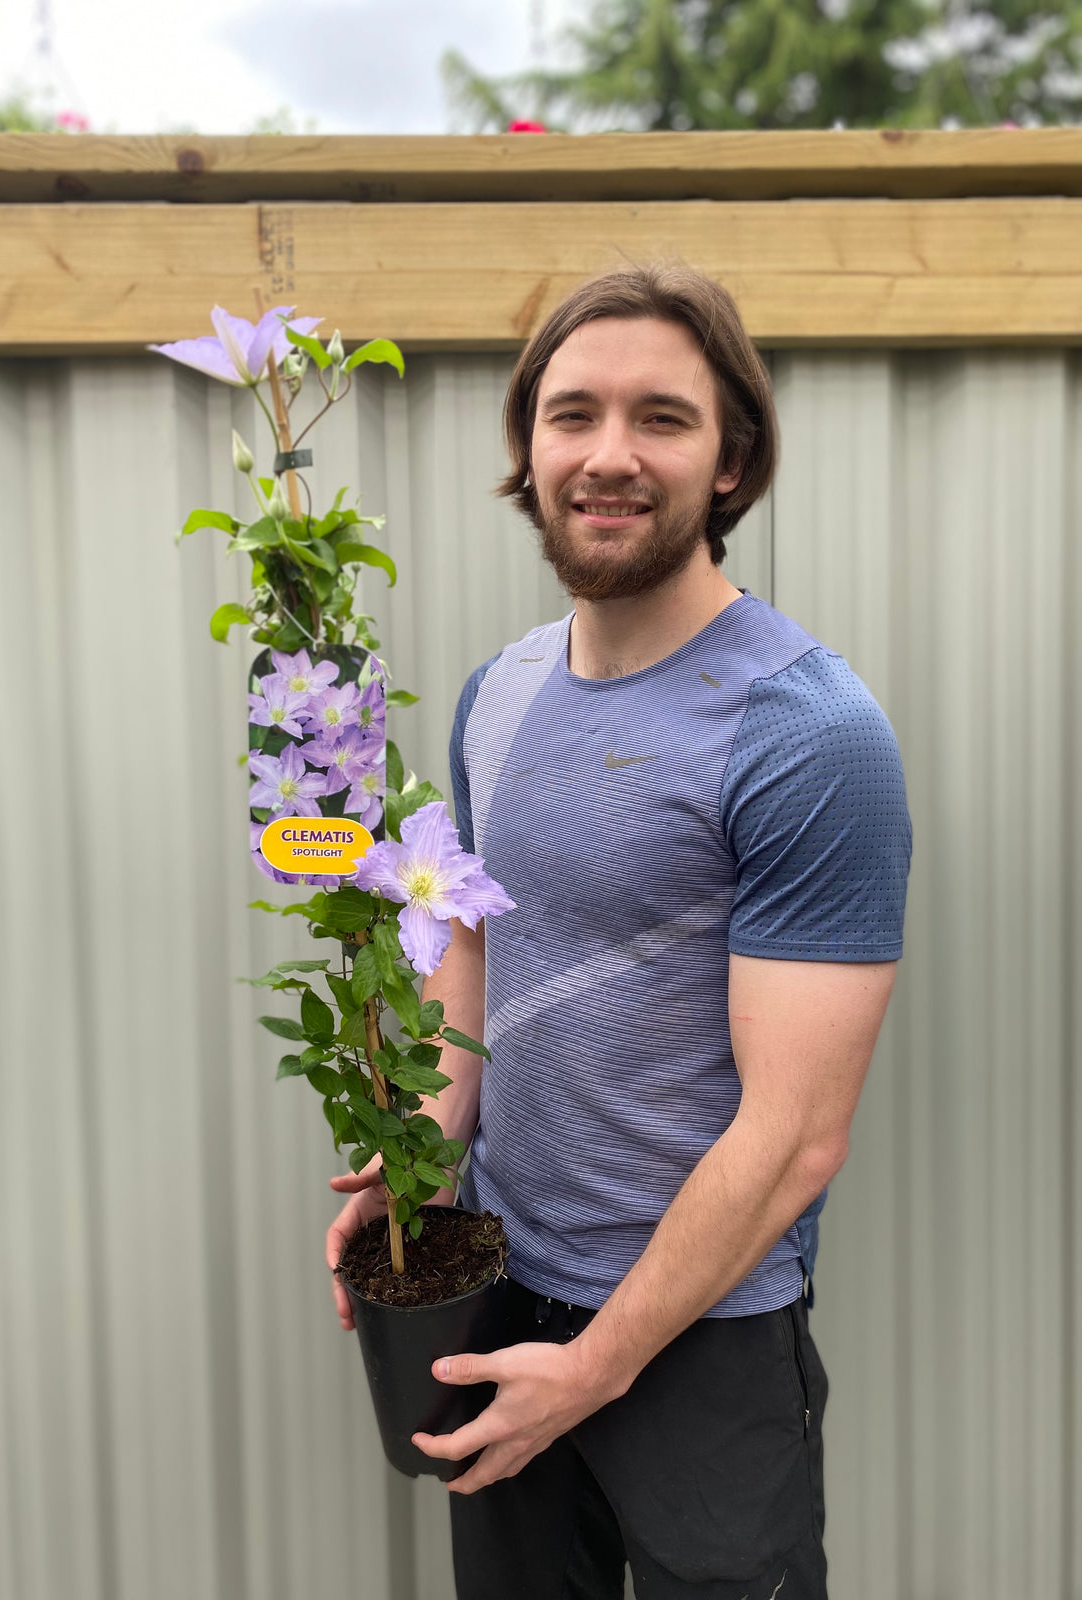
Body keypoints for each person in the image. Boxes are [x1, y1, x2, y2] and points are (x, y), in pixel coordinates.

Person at [326, 263, 911, 1600]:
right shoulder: (499, 692)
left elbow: (796, 1134)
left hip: (706, 1339)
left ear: (731, 460)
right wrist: (415, 1154)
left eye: (661, 416)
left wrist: (595, 1371)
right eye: (573, 414)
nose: (608, 455)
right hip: (499, 1290)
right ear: (527, 451)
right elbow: (474, 950)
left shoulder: (807, 732)